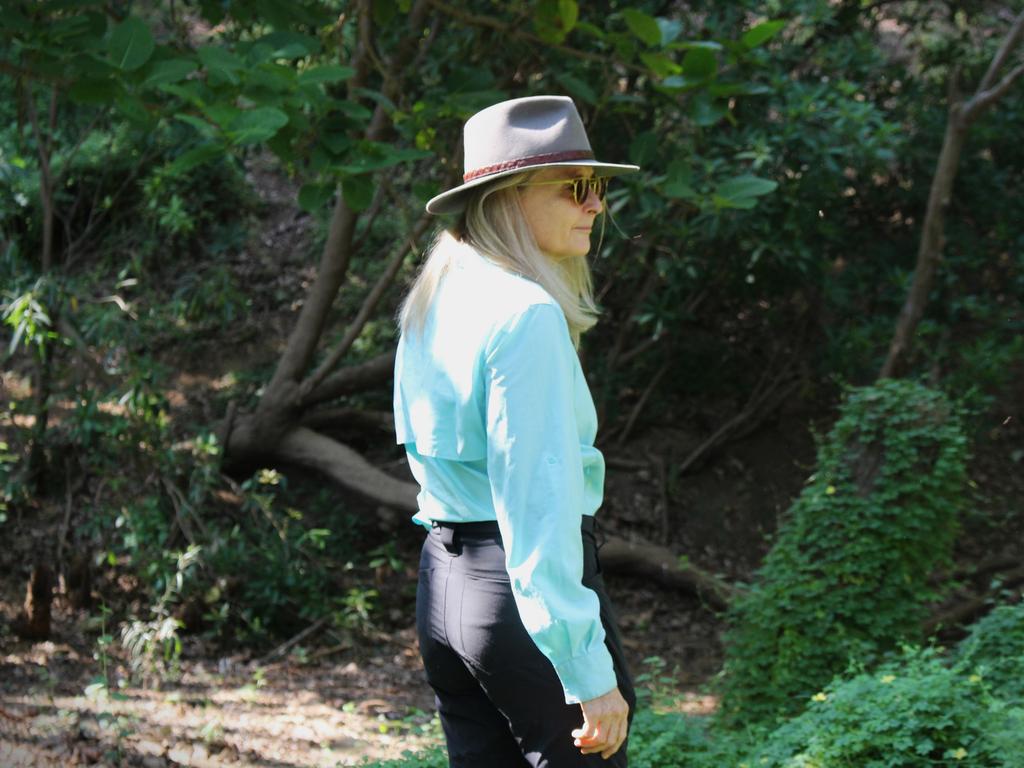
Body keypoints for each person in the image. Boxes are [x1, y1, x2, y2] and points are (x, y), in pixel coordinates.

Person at [393, 95, 639, 767]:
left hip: (445, 590)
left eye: (601, 188)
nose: (597, 205)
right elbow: (536, 508)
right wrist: (587, 670)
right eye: (576, 188)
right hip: (519, 600)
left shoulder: (434, 300)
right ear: (509, 197)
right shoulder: (525, 314)